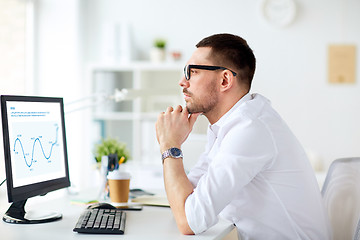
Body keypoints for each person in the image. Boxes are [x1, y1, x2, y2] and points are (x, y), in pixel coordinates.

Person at [155, 33, 331, 239]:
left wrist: (170, 145)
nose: (182, 82)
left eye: (192, 72)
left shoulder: (250, 128)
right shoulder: (227, 127)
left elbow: (189, 221)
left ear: (224, 80)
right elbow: (184, 201)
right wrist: (172, 145)